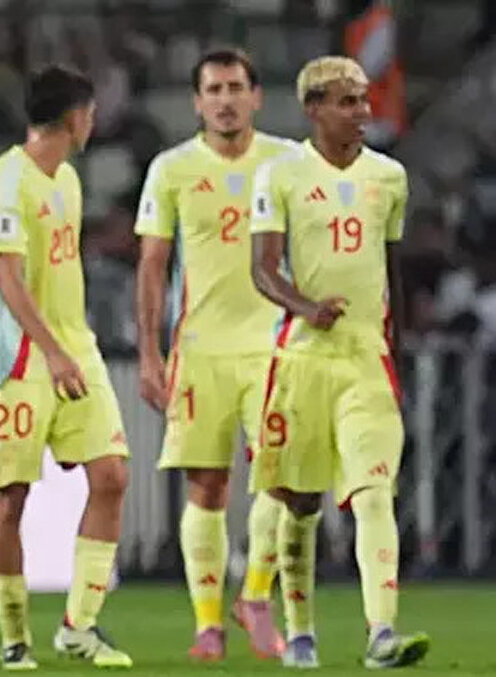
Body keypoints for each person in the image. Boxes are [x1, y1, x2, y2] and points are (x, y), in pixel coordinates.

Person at [249, 55, 429, 669]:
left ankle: (382, 633)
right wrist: (305, 307)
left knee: (374, 493)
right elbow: (263, 269)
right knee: (299, 503)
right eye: (347, 101)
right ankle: (300, 632)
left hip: (367, 362)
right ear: (314, 108)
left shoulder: (391, 177)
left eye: (364, 99)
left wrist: (395, 357)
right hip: (302, 358)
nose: (362, 110)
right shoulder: (280, 175)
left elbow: (393, 271)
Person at [133, 48, 292, 661]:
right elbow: (152, 265)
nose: (224, 99)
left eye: (235, 87)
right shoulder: (171, 168)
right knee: (207, 487)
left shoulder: (287, 162)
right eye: (213, 89)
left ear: (256, 96)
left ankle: (254, 595)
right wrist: (150, 352)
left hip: (274, 346)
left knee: (279, 482)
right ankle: (207, 624)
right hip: (200, 348)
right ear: (197, 102)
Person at [0, 64, 132, 671]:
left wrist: (69, 348)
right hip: (19, 360)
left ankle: (79, 627)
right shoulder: (6, 183)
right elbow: (8, 280)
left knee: (112, 477)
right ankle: (15, 639)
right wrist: (53, 352)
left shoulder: (66, 178)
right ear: (73, 117)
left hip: (74, 346)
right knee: (10, 500)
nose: (93, 123)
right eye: (89, 114)